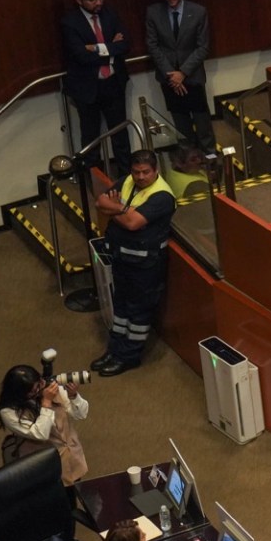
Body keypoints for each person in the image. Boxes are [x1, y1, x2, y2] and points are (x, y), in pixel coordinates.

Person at [90, 150, 177, 377]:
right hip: (122, 257)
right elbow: (100, 202)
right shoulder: (127, 180)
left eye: (145, 172)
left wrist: (115, 208)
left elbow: (132, 224)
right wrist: (122, 210)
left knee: (138, 312)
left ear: (156, 170)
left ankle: (129, 357)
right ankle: (115, 350)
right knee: (120, 306)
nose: (140, 177)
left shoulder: (162, 196)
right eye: (136, 172)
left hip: (145, 265)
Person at [61, 0, 131, 169]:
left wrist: (95, 48)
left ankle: (126, 177)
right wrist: (110, 49)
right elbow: (81, 56)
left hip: (113, 83)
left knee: (120, 135)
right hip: (87, 88)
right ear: (79, 0)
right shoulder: (70, 22)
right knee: (90, 139)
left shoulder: (110, 14)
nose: (98, 2)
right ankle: (95, 180)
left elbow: (125, 45)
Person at [145, 0, 214, 153]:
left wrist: (182, 73)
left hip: (192, 75)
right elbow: (152, 46)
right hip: (168, 77)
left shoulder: (198, 12)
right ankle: (188, 161)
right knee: (180, 124)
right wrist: (172, 75)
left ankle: (210, 159)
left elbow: (203, 47)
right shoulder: (153, 12)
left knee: (202, 122)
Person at [0, 366, 91, 485]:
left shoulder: (50, 388)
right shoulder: (9, 412)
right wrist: (46, 403)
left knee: (75, 487)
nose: (41, 387)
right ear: (21, 393)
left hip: (71, 454)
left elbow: (80, 415)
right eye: (35, 389)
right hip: (44, 463)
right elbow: (40, 434)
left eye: (40, 382)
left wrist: (74, 396)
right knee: (53, 492)